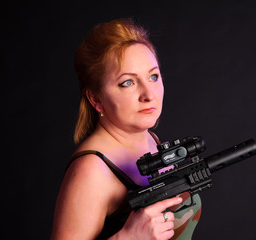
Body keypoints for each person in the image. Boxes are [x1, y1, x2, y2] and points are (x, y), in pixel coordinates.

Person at [50, 18, 201, 240]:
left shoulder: (149, 139)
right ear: (96, 99)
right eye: (128, 83)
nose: (149, 95)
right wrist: (129, 237)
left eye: (153, 76)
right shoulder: (91, 171)